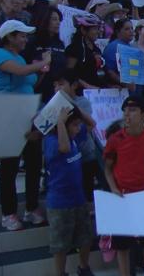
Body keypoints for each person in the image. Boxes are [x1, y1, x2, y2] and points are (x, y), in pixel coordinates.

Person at [103, 96, 144, 276]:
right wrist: (113, 188)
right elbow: (107, 169)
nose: (126, 114)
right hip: (122, 195)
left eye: (132, 110)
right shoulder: (115, 139)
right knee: (121, 243)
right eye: (125, 110)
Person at [0, 20, 50, 231]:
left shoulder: (20, 58)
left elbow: (30, 82)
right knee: (9, 166)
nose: (25, 39)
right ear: (9, 37)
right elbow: (20, 72)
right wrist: (41, 63)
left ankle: (31, 207)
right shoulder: (0, 54)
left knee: (34, 163)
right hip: (7, 115)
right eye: (22, 35)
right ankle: (9, 213)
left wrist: (42, 69)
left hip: (28, 114)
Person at [44, 108, 95, 276]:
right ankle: (60, 273)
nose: (78, 128)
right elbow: (64, 148)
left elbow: (91, 124)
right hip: (59, 203)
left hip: (78, 199)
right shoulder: (51, 141)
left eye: (77, 125)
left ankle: (84, 267)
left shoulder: (75, 138)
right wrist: (60, 121)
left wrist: (76, 108)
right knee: (61, 245)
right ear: (63, 127)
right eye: (74, 125)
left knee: (86, 238)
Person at [52, 69, 100, 203]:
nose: (57, 89)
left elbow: (89, 124)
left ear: (74, 85)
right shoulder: (52, 106)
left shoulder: (82, 102)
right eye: (55, 86)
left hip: (85, 154)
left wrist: (68, 102)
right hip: (66, 159)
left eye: (61, 84)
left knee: (87, 190)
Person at [21, 6, 66, 103]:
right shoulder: (31, 41)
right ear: (45, 20)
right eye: (54, 19)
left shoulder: (60, 44)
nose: (58, 23)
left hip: (54, 94)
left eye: (59, 20)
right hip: (35, 93)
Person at [65, 14, 105, 89]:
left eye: (98, 28)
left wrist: (109, 86)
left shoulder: (97, 50)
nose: (98, 32)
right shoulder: (73, 49)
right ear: (83, 30)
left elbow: (100, 72)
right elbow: (69, 72)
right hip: (81, 93)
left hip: (97, 92)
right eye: (94, 29)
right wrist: (87, 86)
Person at [102, 18, 138, 92]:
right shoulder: (113, 47)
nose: (131, 31)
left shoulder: (130, 46)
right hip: (120, 89)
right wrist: (126, 84)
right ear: (118, 32)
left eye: (132, 28)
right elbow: (109, 71)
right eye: (127, 29)